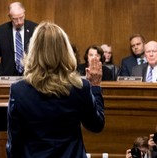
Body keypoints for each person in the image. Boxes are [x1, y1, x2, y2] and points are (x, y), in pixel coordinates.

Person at [7, 21, 104, 157]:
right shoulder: (79, 87)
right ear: (65, 51)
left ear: (34, 51)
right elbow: (96, 125)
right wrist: (95, 86)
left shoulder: (19, 90)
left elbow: (15, 142)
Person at [0, 1, 39, 77]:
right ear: (9, 16)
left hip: (31, 74)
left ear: (24, 13)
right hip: (8, 75)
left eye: (21, 18)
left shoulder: (35, 28)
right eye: (15, 19)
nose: (19, 22)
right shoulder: (1, 30)